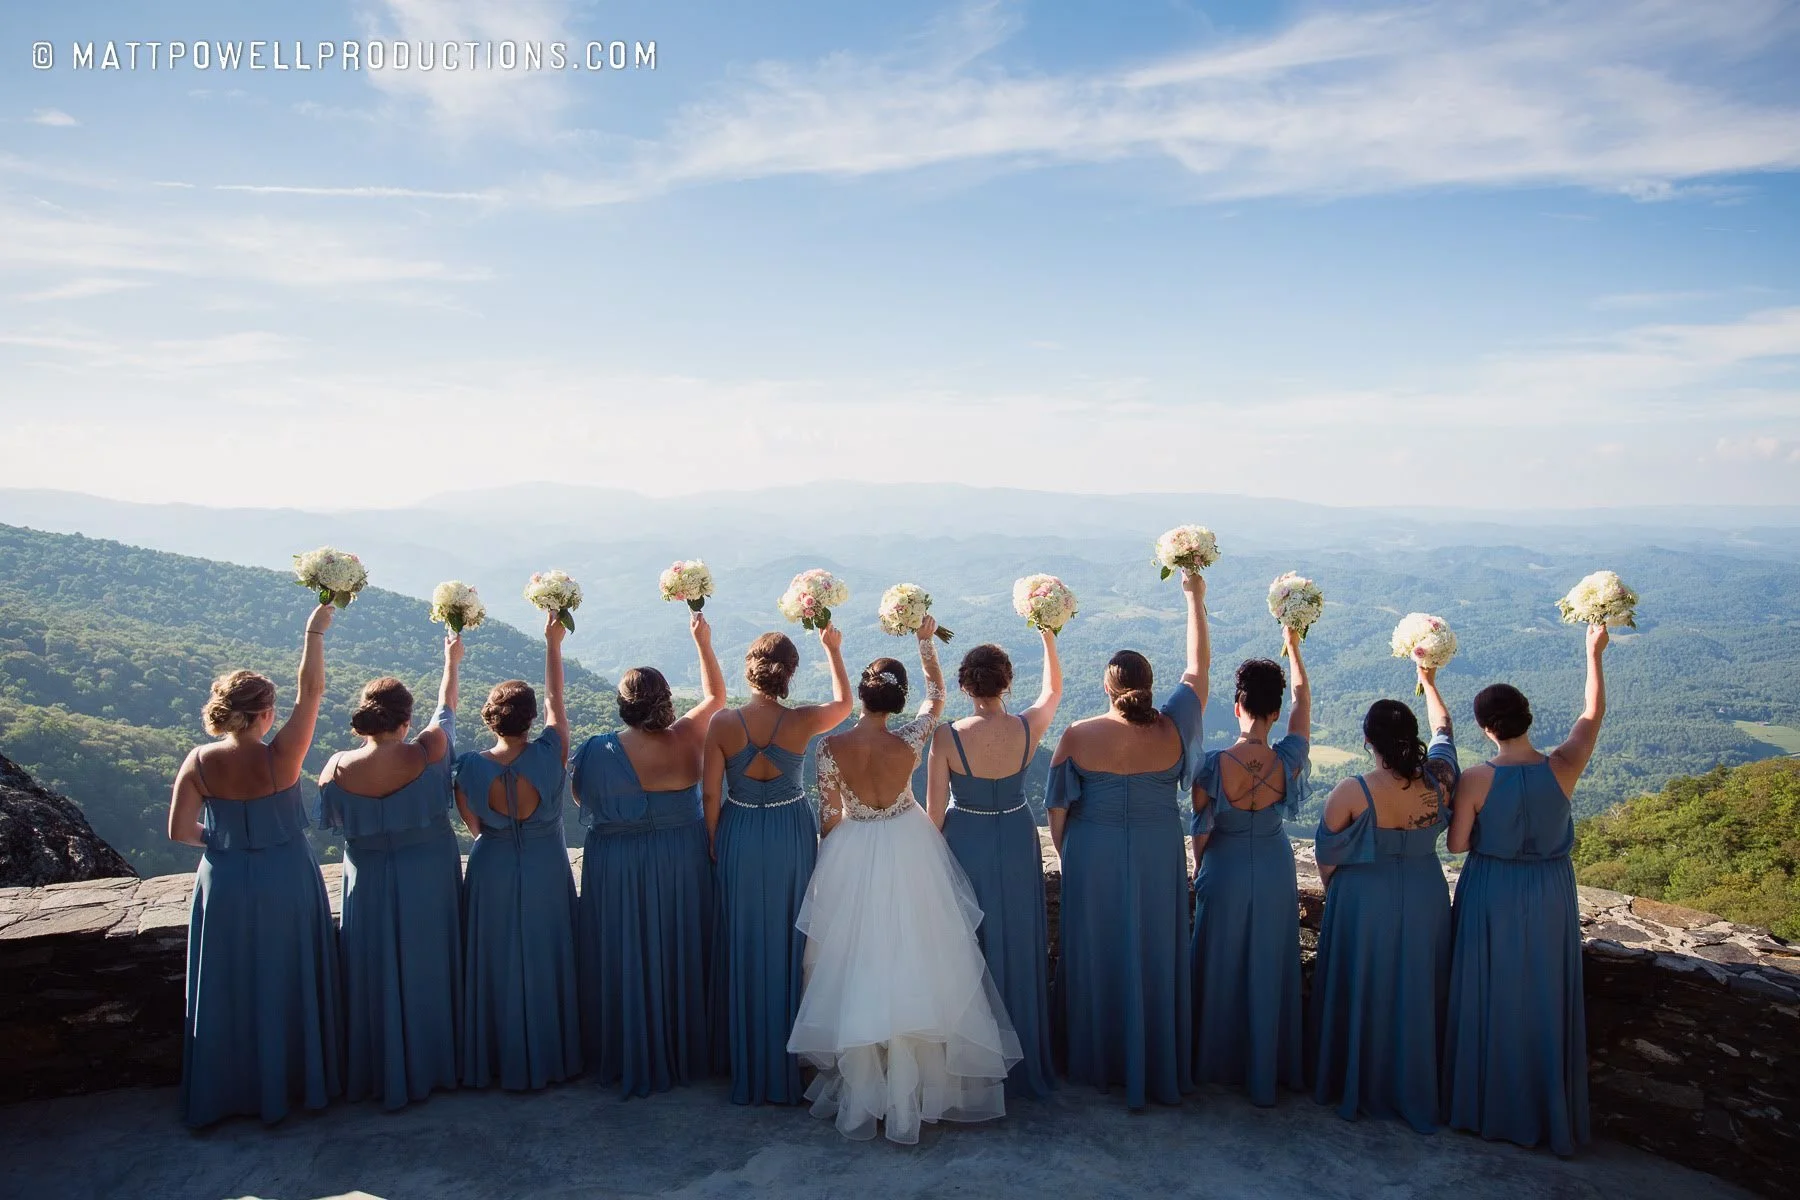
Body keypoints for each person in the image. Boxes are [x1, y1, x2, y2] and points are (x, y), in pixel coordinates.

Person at [788, 621, 1022, 1143]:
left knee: (860, 962)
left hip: (854, 847)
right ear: (896, 701)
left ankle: (866, 1086)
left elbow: (828, 818)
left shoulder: (830, 748)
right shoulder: (913, 736)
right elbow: (937, 694)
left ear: (864, 698)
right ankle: (920, 1088)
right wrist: (923, 639)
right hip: (909, 844)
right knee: (921, 957)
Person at [167, 602, 342, 1127]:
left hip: (223, 880)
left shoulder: (198, 761)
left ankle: (224, 1094)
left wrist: (225, 842)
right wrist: (314, 631)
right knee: (286, 979)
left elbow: (178, 832)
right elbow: (311, 692)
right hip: (285, 877)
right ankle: (292, 1087)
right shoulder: (280, 758)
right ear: (265, 714)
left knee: (228, 985)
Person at [1443, 624, 1609, 1156]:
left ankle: (1484, 1107)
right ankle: (1545, 1112)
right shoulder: (1564, 765)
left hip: (1492, 889)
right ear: (1527, 719)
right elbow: (1592, 715)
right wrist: (1593, 653)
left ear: (1488, 728)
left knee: (1490, 997)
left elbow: (1457, 846)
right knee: (1544, 998)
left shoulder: (1476, 779)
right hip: (1554, 894)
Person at [1046, 572, 1207, 1108]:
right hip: (1159, 849)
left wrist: (1070, 854)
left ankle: (1097, 1058)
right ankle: (1153, 1059)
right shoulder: (1175, 726)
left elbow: (1056, 807)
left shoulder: (1078, 734)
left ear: (1107, 688)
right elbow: (1198, 668)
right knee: (1156, 949)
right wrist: (1194, 598)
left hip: (1093, 851)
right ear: (1150, 684)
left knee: (1097, 949)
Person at [571, 611, 726, 1098]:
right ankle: (686, 1049)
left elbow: (580, 800)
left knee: (626, 952)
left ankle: (627, 1048)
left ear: (621, 706)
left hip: (618, 864)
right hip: (681, 858)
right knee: (681, 946)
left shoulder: (597, 750)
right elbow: (717, 698)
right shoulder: (689, 738)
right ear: (665, 702)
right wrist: (702, 641)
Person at [704, 623, 853, 1105]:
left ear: (749, 671)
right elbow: (846, 704)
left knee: (742, 938)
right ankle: (789, 1059)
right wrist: (833, 650)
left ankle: (742, 1057)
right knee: (791, 940)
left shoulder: (723, 725)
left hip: (741, 832)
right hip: (790, 831)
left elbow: (710, 794)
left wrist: (714, 841)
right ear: (788, 675)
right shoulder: (802, 722)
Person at [317, 632, 465, 1110]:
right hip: (428, 878)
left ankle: (378, 1069)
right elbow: (446, 709)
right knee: (431, 965)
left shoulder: (335, 769)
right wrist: (450, 659)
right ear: (405, 719)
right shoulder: (430, 749)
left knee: (373, 968)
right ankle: (440, 1062)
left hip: (370, 882)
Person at [1309, 661, 1459, 1133]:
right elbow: (1445, 731)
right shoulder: (1440, 781)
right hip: (1424, 894)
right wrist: (1429, 681)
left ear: (1368, 742)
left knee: (1364, 988)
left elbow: (1327, 855)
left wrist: (1338, 894)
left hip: (1363, 898)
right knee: (1417, 990)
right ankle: (1414, 1087)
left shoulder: (1353, 790)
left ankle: (1356, 1083)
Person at [926, 629, 1062, 1099]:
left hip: (969, 840)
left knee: (969, 945)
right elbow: (1053, 692)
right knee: (1018, 938)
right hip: (1016, 834)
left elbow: (934, 816)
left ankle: (976, 1068)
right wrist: (1049, 635)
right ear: (1005, 684)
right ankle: (1026, 1058)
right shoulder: (1028, 727)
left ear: (966, 687)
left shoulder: (947, 737)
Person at [454, 614, 582, 1091]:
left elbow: (473, 826)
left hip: (494, 867)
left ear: (489, 718)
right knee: (549, 958)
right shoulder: (552, 752)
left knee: (496, 963)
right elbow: (557, 702)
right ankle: (555, 1057)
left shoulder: (467, 767)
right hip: (546, 866)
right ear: (530, 720)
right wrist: (553, 643)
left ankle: (496, 1059)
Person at [1189, 627, 1312, 1105]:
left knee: (1218, 963)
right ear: (1275, 712)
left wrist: (1205, 869)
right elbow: (1303, 697)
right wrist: (1293, 642)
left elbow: (1202, 827)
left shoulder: (1213, 766)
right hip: (1276, 865)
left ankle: (1213, 1063)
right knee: (1271, 963)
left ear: (1237, 707)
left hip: (1226, 864)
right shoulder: (1291, 756)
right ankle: (1266, 1067)